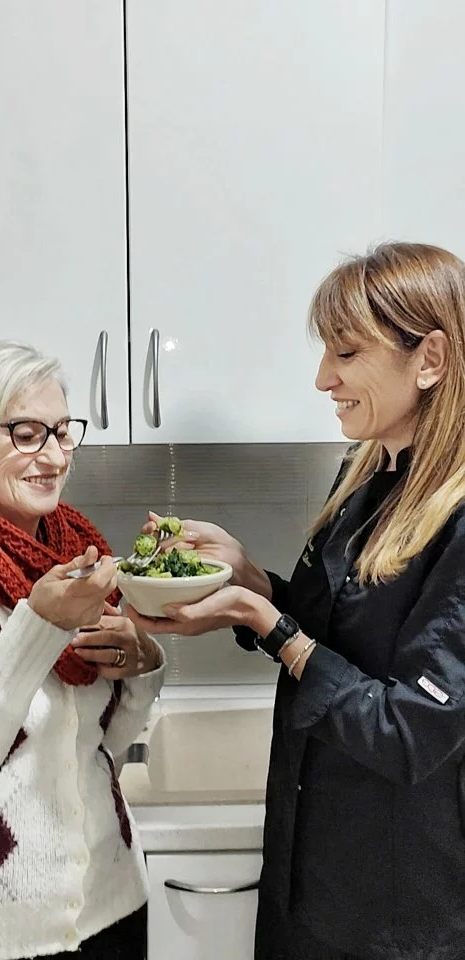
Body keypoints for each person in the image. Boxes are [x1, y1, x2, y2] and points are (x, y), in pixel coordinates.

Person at [128, 242, 465, 960]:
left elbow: (408, 733)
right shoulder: (364, 474)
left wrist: (269, 625)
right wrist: (247, 578)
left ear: (429, 359)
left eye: (345, 353)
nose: (322, 378)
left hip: (393, 911)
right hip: (307, 876)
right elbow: (330, 632)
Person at [0, 341, 165, 960]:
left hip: (114, 905)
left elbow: (103, 748)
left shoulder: (75, 552)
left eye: (62, 432)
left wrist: (141, 665)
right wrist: (38, 627)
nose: (54, 456)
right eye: (26, 433)